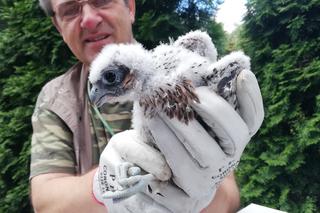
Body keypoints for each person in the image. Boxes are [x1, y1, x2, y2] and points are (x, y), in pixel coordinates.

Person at [30, 0, 264, 212]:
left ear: (130, 7)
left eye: (101, 0)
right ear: (59, 26)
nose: (89, 19)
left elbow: (229, 197)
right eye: (70, 10)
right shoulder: (56, 99)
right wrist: (104, 185)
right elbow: (46, 202)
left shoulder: (183, 64)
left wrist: (205, 192)